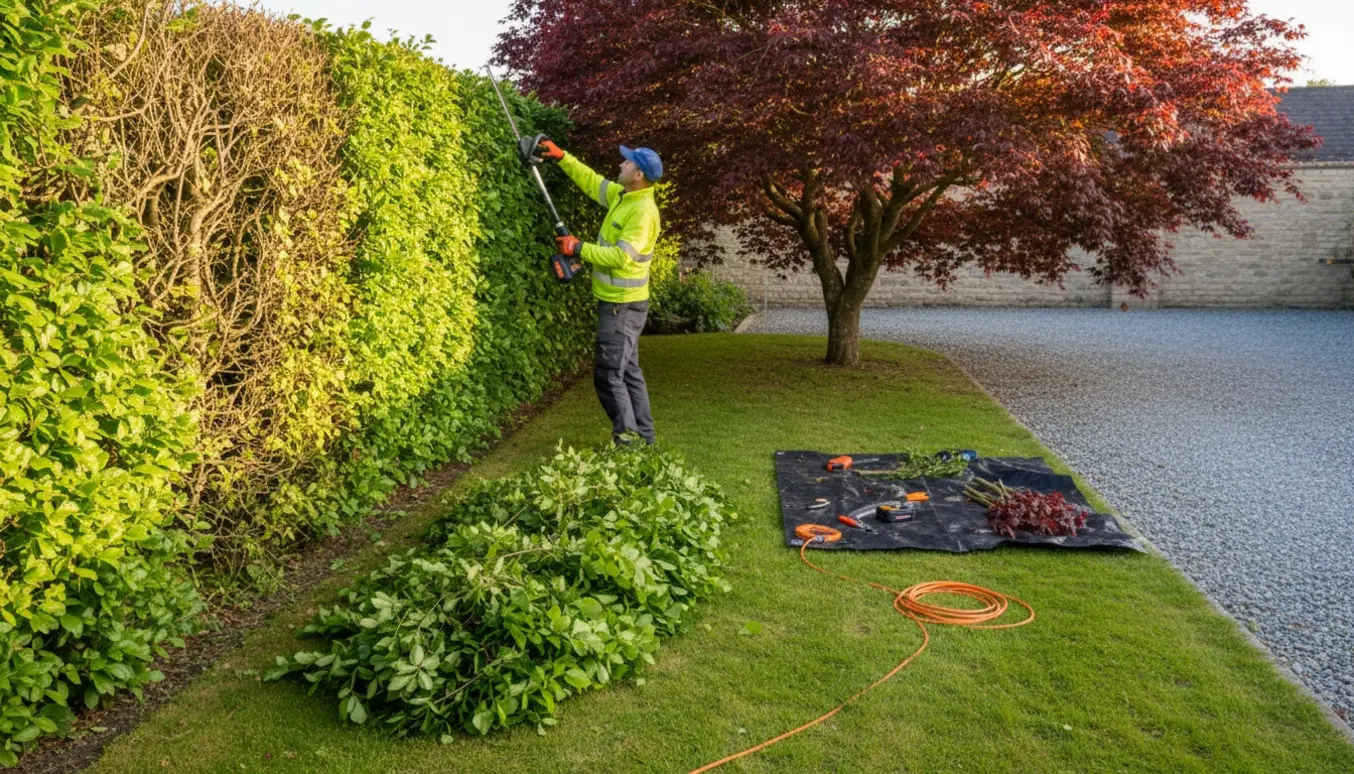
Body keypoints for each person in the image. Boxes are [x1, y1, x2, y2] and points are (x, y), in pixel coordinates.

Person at [536, 138, 663, 445]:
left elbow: (621, 258)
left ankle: (627, 442)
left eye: (627, 162)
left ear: (638, 175)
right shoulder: (623, 196)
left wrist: (577, 248)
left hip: (623, 307)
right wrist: (562, 157)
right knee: (627, 371)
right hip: (620, 304)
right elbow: (591, 182)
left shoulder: (642, 213)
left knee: (608, 375)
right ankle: (643, 439)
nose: (621, 163)